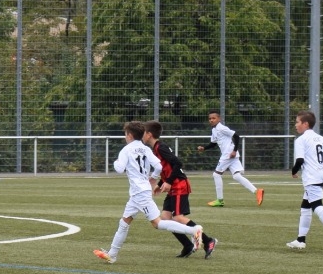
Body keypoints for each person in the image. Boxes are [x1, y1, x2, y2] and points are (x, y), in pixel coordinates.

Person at [93, 121, 204, 265]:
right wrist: (153, 178)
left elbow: (119, 169)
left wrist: (115, 162)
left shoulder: (126, 150)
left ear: (130, 135)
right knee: (124, 222)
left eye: (125, 134)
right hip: (138, 192)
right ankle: (112, 254)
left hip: (139, 192)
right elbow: (158, 166)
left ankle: (194, 230)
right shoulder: (145, 149)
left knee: (158, 223)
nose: (125, 137)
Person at [143, 122, 216, 259]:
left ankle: (208, 241)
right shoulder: (156, 149)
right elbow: (167, 168)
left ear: (149, 134)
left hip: (179, 185)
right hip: (173, 184)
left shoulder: (160, 147)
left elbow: (177, 163)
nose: (142, 135)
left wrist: (169, 182)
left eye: (143, 133)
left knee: (178, 217)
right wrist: (161, 183)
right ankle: (187, 245)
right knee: (165, 219)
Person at [287, 111, 323, 251]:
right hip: (320, 175)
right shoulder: (319, 138)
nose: (296, 125)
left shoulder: (301, 140)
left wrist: (294, 171)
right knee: (305, 207)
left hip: (311, 177)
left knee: (317, 206)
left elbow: (300, 160)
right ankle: (301, 240)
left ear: (305, 124)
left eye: (297, 122)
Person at [198, 111, 263, 207]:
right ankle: (257, 191)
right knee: (237, 176)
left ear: (219, 119)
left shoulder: (222, 128)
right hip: (230, 155)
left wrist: (234, 151)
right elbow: (214, 143)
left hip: (228, 154)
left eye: (213, 118)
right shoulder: (214, 130)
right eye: (210, 118)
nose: (211, 120)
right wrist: (204, 148)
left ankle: (220, 200)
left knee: (216, 174)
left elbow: (236, 136)